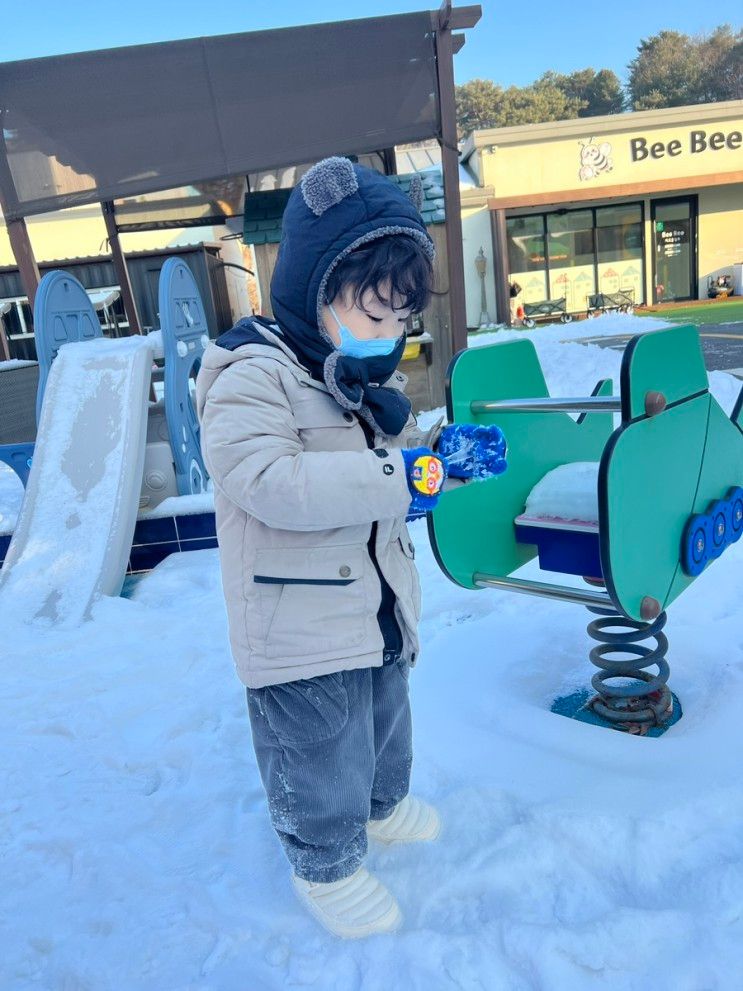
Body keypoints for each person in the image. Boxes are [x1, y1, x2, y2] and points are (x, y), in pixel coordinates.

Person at [195, 157, 506, 939]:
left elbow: (393, 467)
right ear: (312, 290)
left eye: (400, 319)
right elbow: (270, 479)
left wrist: (442, 458)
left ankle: (383, 801)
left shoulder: (349, 379)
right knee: (319, 751)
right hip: (297, 630)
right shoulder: (250, 375)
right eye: (371, 316)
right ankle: (323, 861)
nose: (389, 336)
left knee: (383, 721)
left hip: (372, 611)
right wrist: (402, 475)